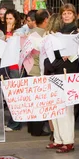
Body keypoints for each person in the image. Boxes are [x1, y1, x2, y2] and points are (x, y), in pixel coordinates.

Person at [43, 5, 79, 153]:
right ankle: (58, 139)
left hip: (69, 73)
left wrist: (69, 56)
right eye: (64, 13)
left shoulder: (77, 33)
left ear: (74, 15)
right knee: (56, 107)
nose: (66, 16)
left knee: (66, 109)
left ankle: (68, 141)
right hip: (57, 71)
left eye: (69, 13)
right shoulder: (58, 33)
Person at [26, 9, 51, 137]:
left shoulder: (29, 34)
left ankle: (32, 128)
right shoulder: (44, 36)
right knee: (38, 102)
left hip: (29, 70)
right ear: (46, 20)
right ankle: (37, 129)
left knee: (31, 102)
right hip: (38, 72)